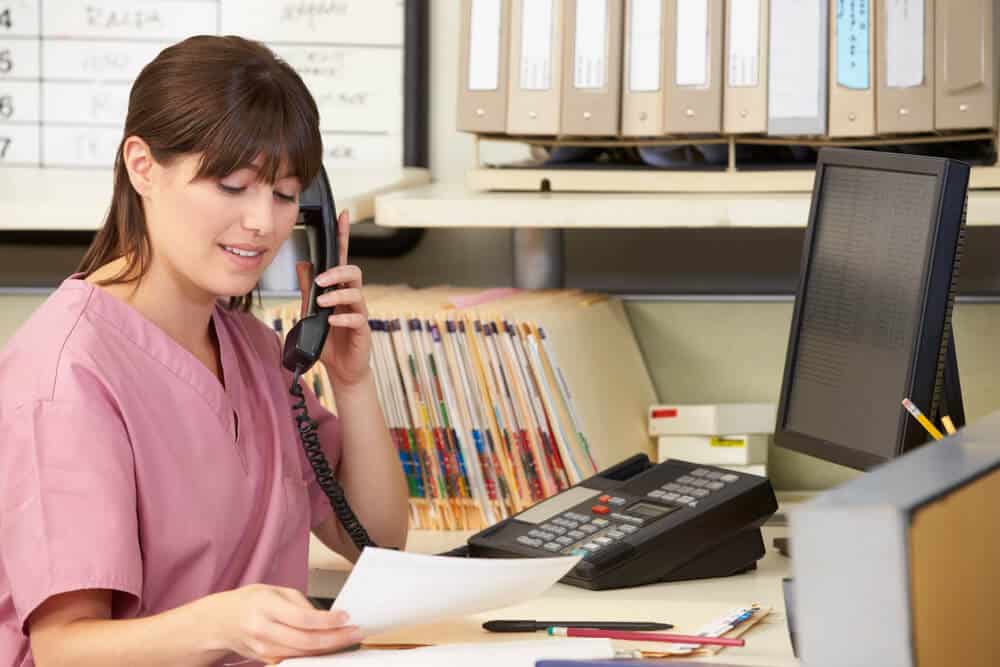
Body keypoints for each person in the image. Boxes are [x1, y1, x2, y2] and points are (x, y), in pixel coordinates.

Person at [0, 35, 409, 666]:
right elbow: (64, 651)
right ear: (143, 167)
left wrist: (353, 382)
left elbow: (377, 543)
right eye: (231, 186)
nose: (262, 223)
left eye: (282, 194)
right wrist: (223, 624)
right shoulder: (67, 376)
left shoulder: (253, 349)